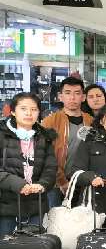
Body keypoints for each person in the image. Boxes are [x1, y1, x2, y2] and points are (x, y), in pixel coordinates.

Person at [0, 93, 57, 237]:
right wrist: (18, 184)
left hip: (35, 204)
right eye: (23, 108)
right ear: (13, 111)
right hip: (6, 205)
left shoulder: (44, 137)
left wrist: (43, 184)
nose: (29, 113)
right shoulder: (2, 134)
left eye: (34, 109)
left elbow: (50, 168)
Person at [42, 77, 93, 207]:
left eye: (77, 93)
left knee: (82, 223)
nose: (72, 98)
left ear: (83, 97)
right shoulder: (50, 122)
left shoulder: (92, 122)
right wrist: (62, 181)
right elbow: (46, 155)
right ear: (60, 96)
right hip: (56, 184)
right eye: (68, 93)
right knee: (55, 223)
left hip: (83, 183)